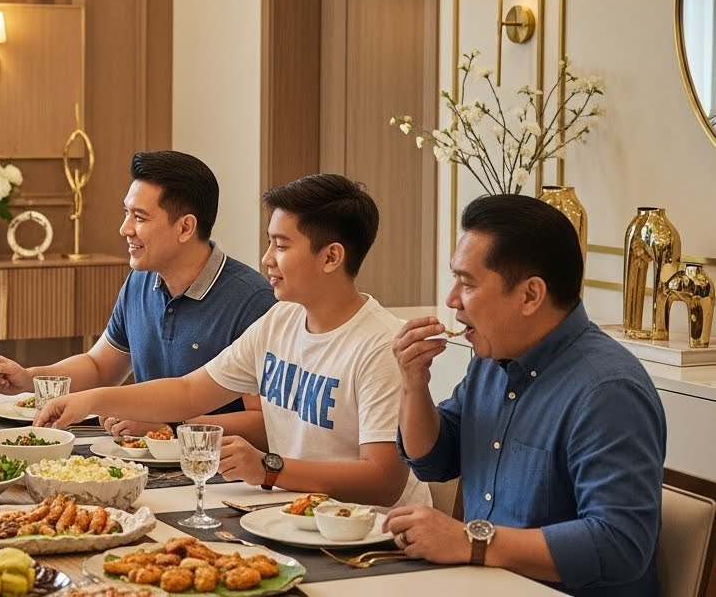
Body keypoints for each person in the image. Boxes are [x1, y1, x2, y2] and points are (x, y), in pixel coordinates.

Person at [39, 174, 429, 508]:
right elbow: (191, 391)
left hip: (376, 539)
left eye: (281, 245)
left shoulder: (380, 345)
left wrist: (269, 468)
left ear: (330, 258)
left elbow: (383, 481)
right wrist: (90, 399)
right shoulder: (281, 319)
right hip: (287, 512)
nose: (266, 259)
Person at [387, 195, 665, 596]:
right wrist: (414, 384)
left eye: (467, 283)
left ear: (531, 295)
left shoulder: (608, 391)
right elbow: (435, 459)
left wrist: (471, 541)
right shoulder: (492, 357)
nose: (451, 300)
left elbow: (620, 544)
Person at [0, 150, 275, 443]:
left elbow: (264, 423)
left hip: (216, 476)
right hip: (138, 459)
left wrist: (169, 426)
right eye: (127, 213)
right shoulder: (141, 280)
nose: (125, 229)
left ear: (185, 227)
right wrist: (29, 379)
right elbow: (100, 367)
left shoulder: (251, 301)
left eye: (139, 217)